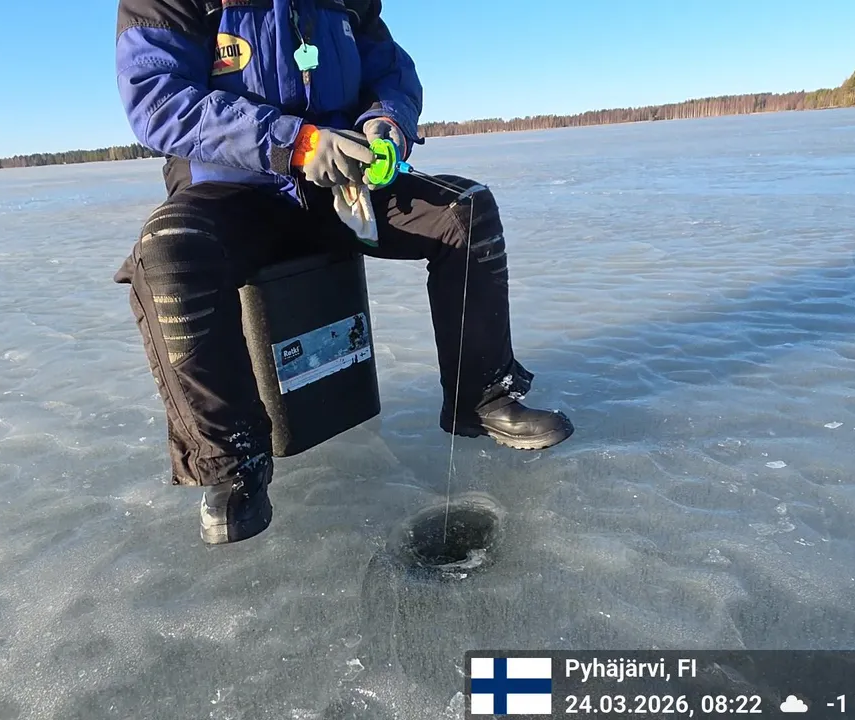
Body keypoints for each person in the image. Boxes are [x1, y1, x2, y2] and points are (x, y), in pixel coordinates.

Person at [113, 0, 574, 545]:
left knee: (463, 212)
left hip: (342, 185)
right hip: (232, 189)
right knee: (168, 251)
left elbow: (389, 71)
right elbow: (158, 100)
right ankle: (230, 463)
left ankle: (483, 396)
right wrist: (295, 142)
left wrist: (386, 123)